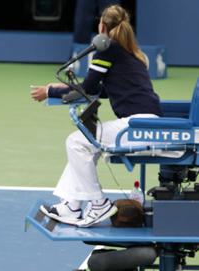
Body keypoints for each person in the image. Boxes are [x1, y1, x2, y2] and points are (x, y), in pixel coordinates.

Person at [30, 5, 162, 227]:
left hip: (138, 126)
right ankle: (71, 206)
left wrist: (51, 91)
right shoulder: (129, 53)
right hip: (146, 123)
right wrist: (62, 87)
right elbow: (103, 90)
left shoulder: (107, 50)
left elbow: (89, 89)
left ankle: (98, 204)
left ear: (102, 26)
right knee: (85, 144)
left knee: (76, 142)